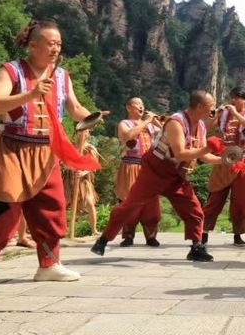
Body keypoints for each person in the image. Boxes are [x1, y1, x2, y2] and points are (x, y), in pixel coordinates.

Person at [0, 19, 104, 298]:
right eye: (50, 43)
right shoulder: (12, 70)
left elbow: (75, 108)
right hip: (14, 147)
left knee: (51, 209)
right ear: (32, 45)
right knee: (6, 210)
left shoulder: (62, 75)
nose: (56, 48)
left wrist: (91, 117)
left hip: (47, 150)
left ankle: (49, 265)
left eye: (59, 44)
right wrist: (29, 94)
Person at [91, 90, 220, 262]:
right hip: (155, 170)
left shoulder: (202, 126)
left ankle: (196, 247)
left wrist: (224, 160)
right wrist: (207, 148)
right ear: (200, 107)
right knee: (130, 206)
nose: (213, 109)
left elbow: (203, 156)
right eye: (211, 106)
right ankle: (103, 239)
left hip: (176, 174)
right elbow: (181, 153)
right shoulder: (176, 122)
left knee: (194, 210)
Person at [201, 86, 245, 247]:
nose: (233, 101)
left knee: (240, 200)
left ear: (244, 99)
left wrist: (235, 113)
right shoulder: (224, 114)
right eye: (232, 97)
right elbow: (205, 128)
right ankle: (203, 233)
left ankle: (238, 234)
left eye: (237, 98)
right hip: (223, 158)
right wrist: (218, 114)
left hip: (242, 159)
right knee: (215, 197)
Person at [115, 98, 162, 247]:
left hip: (148, 168)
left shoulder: (149, 126)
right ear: (128, 107)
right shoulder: (124, 124)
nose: (142, 108)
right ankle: (128, 235)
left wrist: (156, 122)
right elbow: (128, 136)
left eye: (143, 105)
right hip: (131, 165)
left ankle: (151, 236)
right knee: (129, 200)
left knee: (151, 202)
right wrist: (147, 122)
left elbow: (167, 134)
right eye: (138, 105)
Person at [66, 126, 101, 237]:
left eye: (85, 131)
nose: (82, 134)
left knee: (90, 203)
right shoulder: (70, 147)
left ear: (88, 134)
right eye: (80, 131)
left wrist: (83, 172)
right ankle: (63, 230)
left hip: (84, 180)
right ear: (76, 133)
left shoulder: (90, 148)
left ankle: (94, 229)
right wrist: (71, 168)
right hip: (69, 179)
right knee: (63, 203)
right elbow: (64, 161)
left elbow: (94, 165)